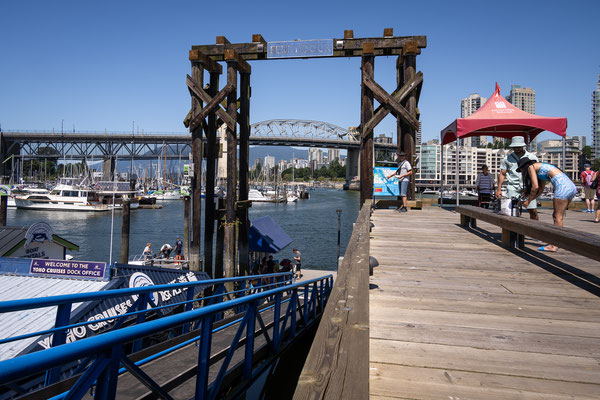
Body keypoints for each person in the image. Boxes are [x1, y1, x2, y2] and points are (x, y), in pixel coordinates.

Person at [517, 157, 577, 252]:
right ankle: (557, 242)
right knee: (558, 216)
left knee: (557, 217)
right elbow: (540, 190)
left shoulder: (531, 167)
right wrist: (530, 199)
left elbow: (535, 187)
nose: (521, 172)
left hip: (562, 187)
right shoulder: (541, 168)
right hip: (571, 186)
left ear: (523, 167)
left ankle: (554, 245)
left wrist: (528, 201)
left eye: (520, 170)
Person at [496, 136, 539, 220]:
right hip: (513, 186)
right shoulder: (507, 159)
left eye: (519, 147)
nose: (517, 149)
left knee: (533, 210)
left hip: (528, 186)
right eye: (515, 147)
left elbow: (537, 173)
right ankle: (512, 231)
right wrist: (499, 189)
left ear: (523, 146)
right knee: (511, 211)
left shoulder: (532, 157)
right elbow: (502, 174)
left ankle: (535, 229)